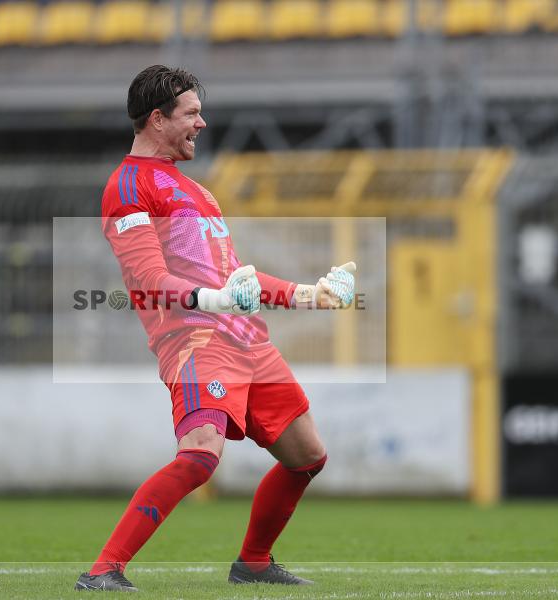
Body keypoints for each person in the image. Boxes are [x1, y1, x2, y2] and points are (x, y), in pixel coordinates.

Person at [76, 65, 355, 592]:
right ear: (157, 119)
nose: (201, 124)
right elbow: (149, 278)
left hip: (248, 340)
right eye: (192, 113)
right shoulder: (128, 186)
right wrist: (215, 300)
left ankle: (253, 564)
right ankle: (103, 570)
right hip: (195, 341)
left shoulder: (199, 193)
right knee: (201, 454)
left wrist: (308, 293)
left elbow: (233, 276)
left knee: (307, 456)